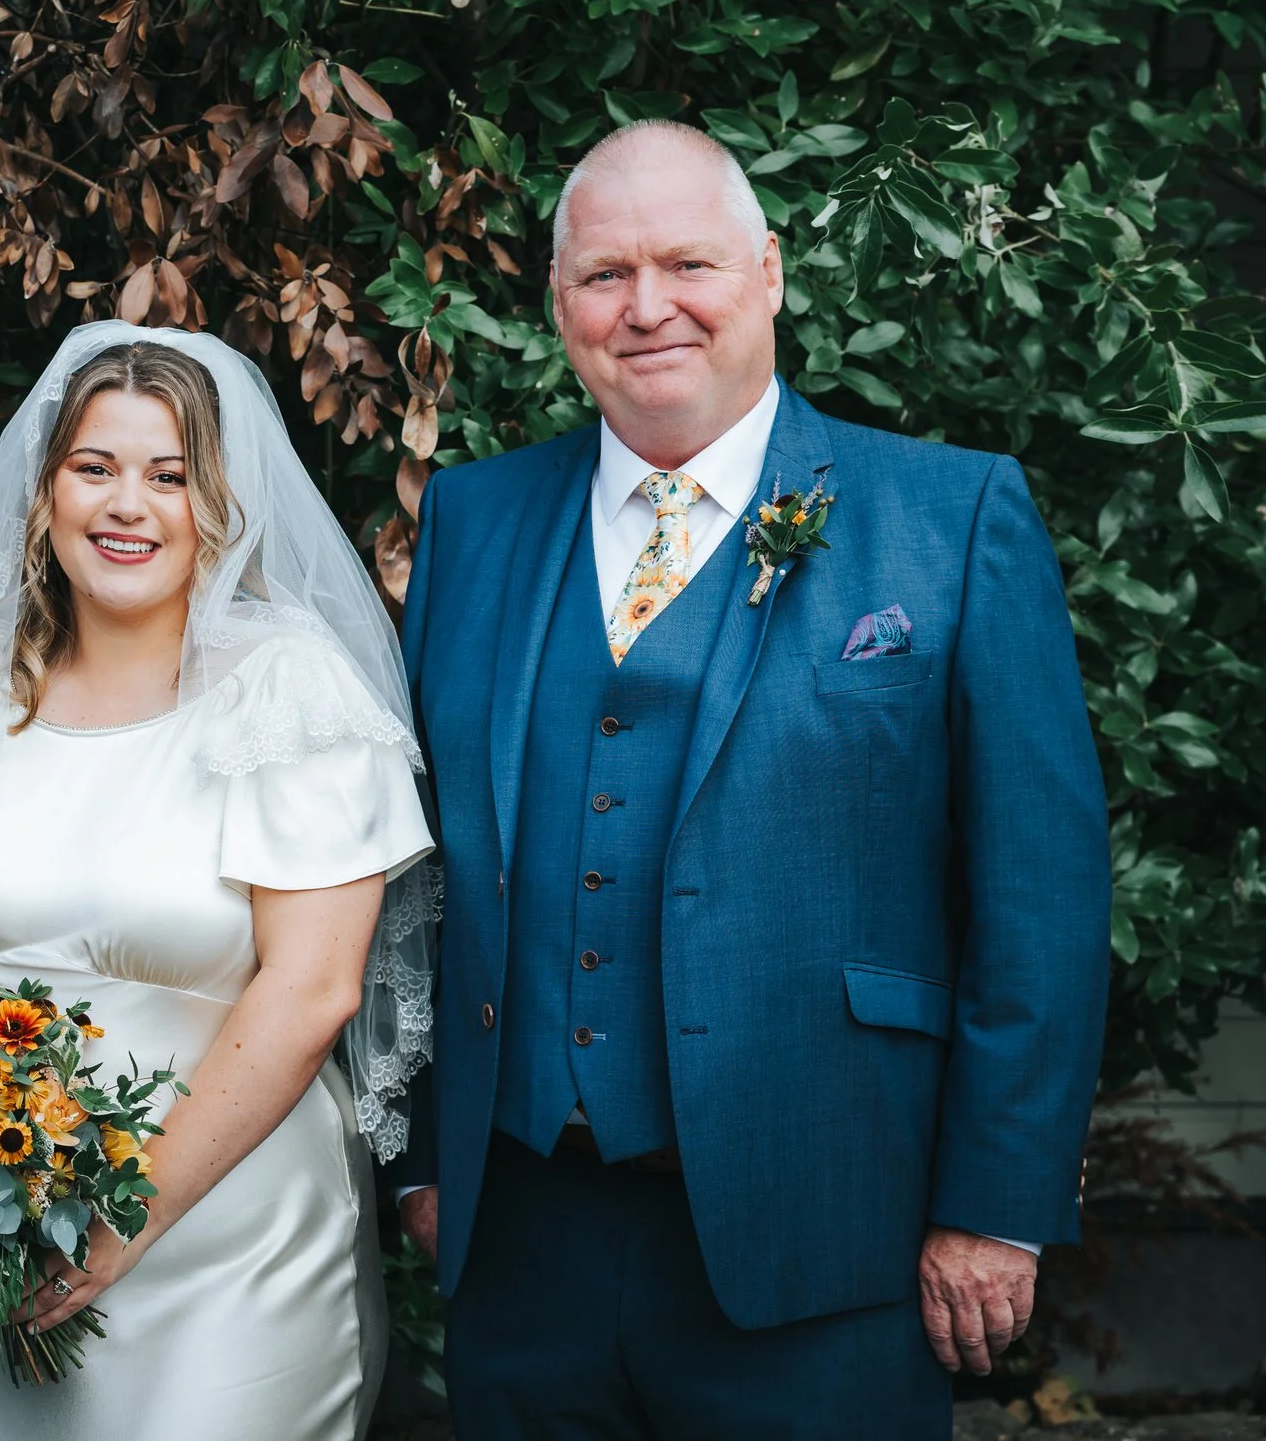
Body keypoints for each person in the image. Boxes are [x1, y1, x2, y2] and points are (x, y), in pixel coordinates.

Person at [389, 120, 1112, 1437]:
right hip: (526, 1239)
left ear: (769, 274)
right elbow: (418, 869)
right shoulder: (473, 520)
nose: (648, 305)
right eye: (605, 273)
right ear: (559, 304)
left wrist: (995, 1202)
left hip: (832, 1231)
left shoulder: (948, 517)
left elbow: (1041, 897)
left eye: (690, 264)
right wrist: (426, 1157)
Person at [0, 329, 440, 1440]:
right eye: (95, 467)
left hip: (224, 1247)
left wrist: (113, 1225)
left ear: (220, 503)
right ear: (42, 494)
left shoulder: (290, 695)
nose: (128, 504)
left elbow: (312, 988)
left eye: (170, 475)